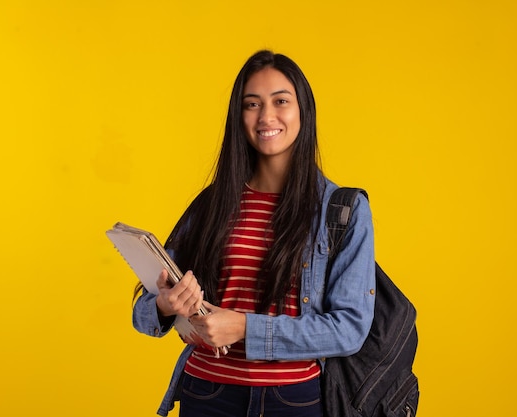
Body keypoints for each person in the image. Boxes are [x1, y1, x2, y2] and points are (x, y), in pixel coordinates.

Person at [132, 50, 376, 417]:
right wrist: (168, 306)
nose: (266, 116)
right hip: (207, 394)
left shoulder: (343, 210)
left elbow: (349, 328)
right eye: (252, 104)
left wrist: (245, 327)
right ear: (238, 115)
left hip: (294, 400)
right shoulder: (212, 204)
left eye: (281, 101)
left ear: (303, 111)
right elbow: (143, 311)